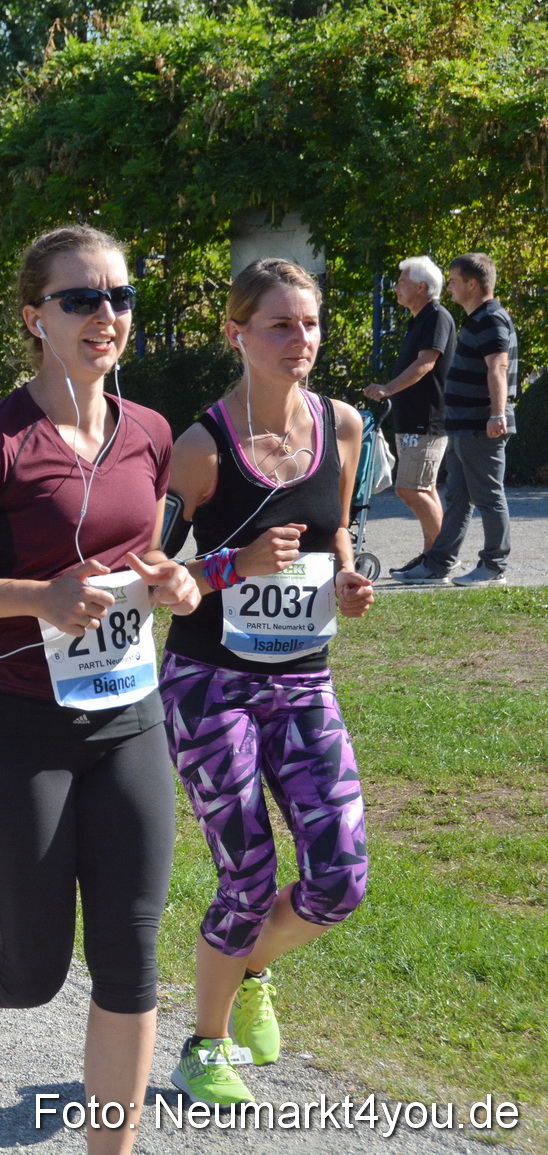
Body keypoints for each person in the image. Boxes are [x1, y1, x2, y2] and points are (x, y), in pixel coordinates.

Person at [0, 225, 197, 1155]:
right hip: (17, 725)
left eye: (120, 297)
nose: (107, 315)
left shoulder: (150, 433)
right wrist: (41, 598)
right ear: (34, 316)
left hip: (129, 719)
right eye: (81, 298)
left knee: (132, 961)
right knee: (33, 971)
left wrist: (173, 579)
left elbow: (143, 550)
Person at [158, 258, 374, 1105]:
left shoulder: (344, 426)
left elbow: (339, 533)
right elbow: (153, 572)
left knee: (340, 876)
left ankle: (247, 966)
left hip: (304, 682)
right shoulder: (200, 448)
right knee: (246, 875)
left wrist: (351, 583)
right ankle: (202, 1045)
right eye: (281, 325)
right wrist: (229, 564)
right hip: (210, 682)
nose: (302, 341)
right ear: (236, 333)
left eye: (311, 324)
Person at [395, 252, 517, 587]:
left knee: (489, 496)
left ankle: (494, 566)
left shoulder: (491, 318)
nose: (448, 288)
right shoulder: (476, 319)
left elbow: (499, 367)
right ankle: (438, 563)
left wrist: (496, 414)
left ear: (473, 284)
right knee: (458, 498)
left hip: (482, 424)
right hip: (464, 423)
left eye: (452, 281)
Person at [363, 257, 455, 570]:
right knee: (425, 488)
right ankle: (431, 557)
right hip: (414, 418)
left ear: (421, 287)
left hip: (426, 419)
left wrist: (388, 388)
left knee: (409, 488)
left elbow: (426, 363)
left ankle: (442, 558)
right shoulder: (420, 318)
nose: (396, 287)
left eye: (402, 281)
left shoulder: (436, 316)